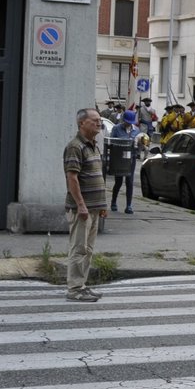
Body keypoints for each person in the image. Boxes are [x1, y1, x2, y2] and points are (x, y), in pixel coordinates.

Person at [63, 108, 109, 303]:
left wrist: (102, 204)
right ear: (82, 123)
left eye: (99, 120)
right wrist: (81, 205)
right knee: (79, 248)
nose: (99, 123)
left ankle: (81, 285)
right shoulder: (75, 147)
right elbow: (72, 178)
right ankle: (74, 289)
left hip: (94, 207)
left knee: (88, 249)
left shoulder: (94, 145)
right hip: (82, 209)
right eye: (95, 120)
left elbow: (97, 177)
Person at [108, 110, 141, 214]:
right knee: (118, 181)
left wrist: (141, 145)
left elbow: (140, 145)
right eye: (127, 122)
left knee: (129, 181)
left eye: (130, 122)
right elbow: (111, 143)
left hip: (131, 158)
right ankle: (113, 202)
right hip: (119, 157)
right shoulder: (116, 128)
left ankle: (129, 205)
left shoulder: (136, 130)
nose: (128, 124)